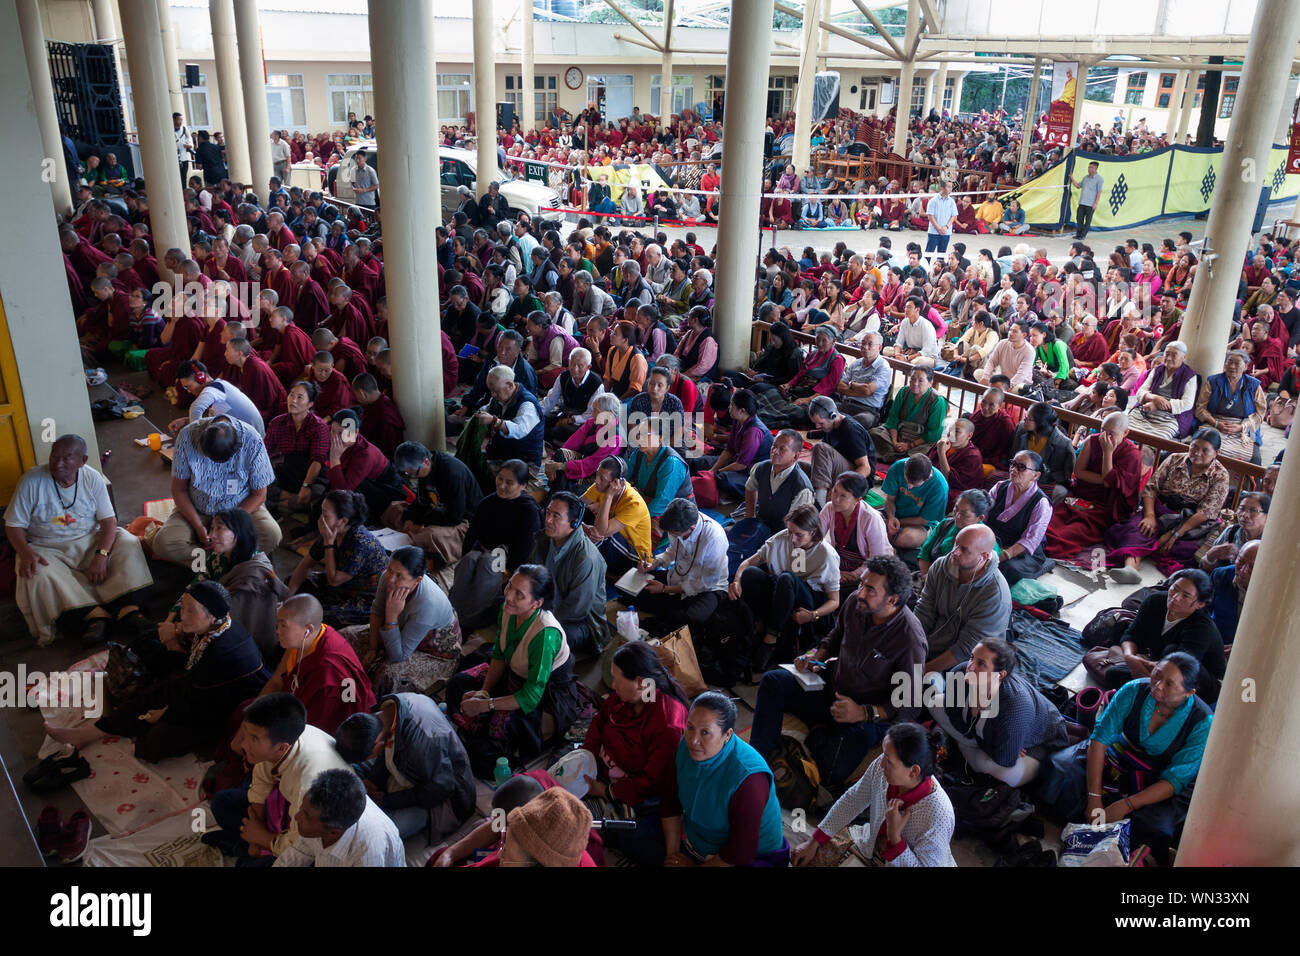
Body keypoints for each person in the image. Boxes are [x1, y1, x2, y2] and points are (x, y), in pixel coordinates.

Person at [751, 553, 927, 788]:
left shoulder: (909, 638)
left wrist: (863, 713)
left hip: (866, 715)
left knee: (829, 771)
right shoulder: (856, 603)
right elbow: (836, 636)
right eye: (862, 583)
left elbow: (909, 704)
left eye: (870, 589)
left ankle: (819, 732)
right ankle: (756, 764)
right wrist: (815, 655)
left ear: (893, 600)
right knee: (774, 681)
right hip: (833, 691)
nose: (860, 593)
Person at [46, 581, 270, 764]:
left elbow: (199, 702)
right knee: (157, 688)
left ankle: (107, 728)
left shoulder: (222, 650)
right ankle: (90, 733)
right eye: (183, 607)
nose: (183, 615)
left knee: (154, 742)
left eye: (191, 611)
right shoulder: (219, 626)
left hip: (231, 708)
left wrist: (166, 713)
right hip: (206, 691)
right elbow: (192, 680)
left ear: (212, 616)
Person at [1038, 653, 1211, 866]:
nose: (1157, 686)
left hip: (1159, 776)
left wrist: (1127, 804)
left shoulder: (1202, 721)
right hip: (1119, 752)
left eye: (1169, 684)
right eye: (1157, 675)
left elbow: (1175, 780)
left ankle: (1105, 836)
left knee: (1156, 827)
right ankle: (1092, 822)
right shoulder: (1134, 690)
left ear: (1188, 693)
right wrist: (1094, 797)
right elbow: (1100, 739)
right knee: (1058, 768)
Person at [6, 435, 152, 646]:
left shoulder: (92, 478)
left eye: (67, 458)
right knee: (35, 571)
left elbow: (109, 522)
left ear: (83, 461)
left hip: (90, 540)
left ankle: (129, 612)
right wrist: (26, 552)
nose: (58, 463)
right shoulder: (32, 480)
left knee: (128, 542)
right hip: (48, 548)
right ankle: (95, 617)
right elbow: (13, 525)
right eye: (54, 456)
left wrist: (101, 555)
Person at [446, 564, 584, 765]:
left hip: (545, 694)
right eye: (509, 586)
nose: (509, 596)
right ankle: (475, 727)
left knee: (494, 738)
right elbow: (500, 654)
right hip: (513, 675)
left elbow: (530, 697)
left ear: (537, 603)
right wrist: (484, 692)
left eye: (519, 594)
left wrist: (485, 705)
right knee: (458, 683)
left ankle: (480, 732)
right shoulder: (508, 609)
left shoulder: (545, 634)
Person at [206, 693, 351, 865]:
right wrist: (256, 833)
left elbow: (301, 844)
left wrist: (264, 839)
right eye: (246, 734)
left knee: (245, 865)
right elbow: (261, 784)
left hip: (310, 837)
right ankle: (250, 849)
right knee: (223, 802)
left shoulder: (309, 787)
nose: (243, 745)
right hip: (283, 813)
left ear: (282, 748)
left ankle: (246, 851)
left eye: (253, 738)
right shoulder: (284, 739)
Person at [581, 641, 689, 866]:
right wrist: (585, 758)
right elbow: (599, 722)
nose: (612, 686)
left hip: (639, 796)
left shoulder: (667, 725)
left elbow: (651, 783)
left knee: (628, 837)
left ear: (640, 682)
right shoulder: (625, 697)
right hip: (605, 769)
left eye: (616, 678)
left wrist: (606, 791)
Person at [791, 722, 955, 867]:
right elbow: (852, 800)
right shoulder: (882, 767)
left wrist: (895, 837)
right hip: (870, 845)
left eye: (889, 761)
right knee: (805, 860)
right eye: (883, 754)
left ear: (914, 771)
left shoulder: (937, 814)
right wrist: (814, 842)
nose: (881, 763)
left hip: (901, 860)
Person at [661, 692, 788, 867]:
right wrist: (672, 857)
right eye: (690, 727)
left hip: (751, 858)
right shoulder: (685, 746)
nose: (693, 740)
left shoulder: (749, 779)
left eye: (705, 732)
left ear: (727, 735)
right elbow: (670, 801)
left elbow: (740, 852)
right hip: (698, 841)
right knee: (640, 839)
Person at [334, 693, 477, 840]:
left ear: (378, 742)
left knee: (380, 834)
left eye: (372, 754)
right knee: (350, 771)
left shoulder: (421, 745)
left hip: (446, 798)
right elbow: (387, 751)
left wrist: (388, 800)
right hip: (414, 769)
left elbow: (442, 788)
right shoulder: (390, 710)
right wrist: (374, 780)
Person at [930, 639, 1068, 787]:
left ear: (1000, 675)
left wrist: (1000, 744)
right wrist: (972, 734)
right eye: (972, 658)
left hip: (1038, 744)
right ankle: (966, 746)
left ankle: (961, 744)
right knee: (934, 702)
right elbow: (953, 713)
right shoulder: (959, 673)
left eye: (981, 664)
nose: (970, 667)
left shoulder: (1014, 706)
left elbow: (1005, 759)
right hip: (990, 742)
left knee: (1001, 774)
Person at [152, 416, 282, 566]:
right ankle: (225, 560)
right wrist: (198, 526)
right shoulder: (187, 436)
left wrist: (231, 526)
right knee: (163, 543)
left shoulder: (252, 439)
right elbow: (179, 489)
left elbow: (259, 495)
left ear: (237, 444)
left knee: (272, 534)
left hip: (239, 508)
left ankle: (212, 561)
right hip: (198, 508)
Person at [1105, 431, 1230, 581]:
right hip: (1161, 511)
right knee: (1136, 529)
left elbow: (1205, 512)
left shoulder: (1220, 475)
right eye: (1194, 447)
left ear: (1216, 453)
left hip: (1191, 521)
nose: (1197, 453)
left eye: (1205, 450)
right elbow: (1151, 488)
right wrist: (1150, 516)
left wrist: (1174, 534)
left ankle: (1145, 551)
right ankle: (1131, 568)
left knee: (1184, 549)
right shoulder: (1175, 459)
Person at [731, 503, 842, 672]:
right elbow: (748, 562)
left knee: (787, 578)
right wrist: (737, 580)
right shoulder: (782, 538)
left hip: (809, 605)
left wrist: (812, 615)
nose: (792, 539)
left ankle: (770, 639)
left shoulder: (826, 554)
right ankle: (760, 625)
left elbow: (835, 601)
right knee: (751, 574)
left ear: (813, 532)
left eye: (799, 535)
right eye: (790, 532)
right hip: (783, 598)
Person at [1087, 569, 1225, 703]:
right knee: (1113, 674)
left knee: (1170, 652)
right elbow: (1132, 634)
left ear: (1200, 604)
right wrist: (1130, 657)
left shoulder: (1202, 627)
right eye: (1175, 588)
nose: (1175, 598)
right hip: (1159, 665)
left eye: (1185, 596)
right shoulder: (1156, 601)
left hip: (1195, 680)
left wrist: (1150, 672)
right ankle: (1149, 691)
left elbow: (1182, 666)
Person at [345, 546, 462, 697]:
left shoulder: (428, 604)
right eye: (390, 570)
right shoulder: (387, 578)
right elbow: (377, 611)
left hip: (434, 650)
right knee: (347, 636)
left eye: (399, 576)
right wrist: (373, 648)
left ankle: (366, 706)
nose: (391, 579)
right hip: (399, 628)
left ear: (417, 580)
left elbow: (398, 655)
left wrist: (392, 616)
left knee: (387, 674)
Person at [448, 460, 544, 630]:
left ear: (522, 486)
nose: (502, 486)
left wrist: (511, 574)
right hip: (486, 550)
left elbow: (524, 550)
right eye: (500, 479)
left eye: (509, 482)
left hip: (509, 561)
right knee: (469, 559)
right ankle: (451, 609)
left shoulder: (528, 511)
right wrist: (466, 556)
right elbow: (472, 535)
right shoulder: (488, 502)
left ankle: (471, 618)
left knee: (487, 563)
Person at [259, 593, 376, 733]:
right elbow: (276, 681)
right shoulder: (303, 638)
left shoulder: (329, 668)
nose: (277, 631)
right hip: (292, 705)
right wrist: (253, 714)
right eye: (278, 623)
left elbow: (319, 725)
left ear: (308, 630)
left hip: (323, 723)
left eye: (283, 626)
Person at [1044, 411, 1145, 561]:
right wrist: (1106, 480)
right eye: (1103, 430)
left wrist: (1107, 453)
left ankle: (1045, 549)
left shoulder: (1132, 455)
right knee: (1051, 520)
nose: (1105, 437)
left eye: (1112, 434)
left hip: (1106, 506)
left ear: (1125, 433)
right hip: (1080, 496)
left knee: (1073, 531)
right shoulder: (1092, 441)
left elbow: (1116, 485)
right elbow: (1079, 472)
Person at [915, 525, 1012, 672]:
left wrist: (921, 671)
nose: (955, 552)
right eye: (956, 543)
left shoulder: (996, 594)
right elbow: (924, 611)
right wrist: (911, 649)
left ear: (984, 557)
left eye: (965, 550)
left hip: (966, 661)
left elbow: (967, 649)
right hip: (931, 643)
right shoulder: (941, 566)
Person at [286, 489, 388, 625]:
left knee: (325, 617)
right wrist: (287, 600)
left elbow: (334, 580)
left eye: (325, 515)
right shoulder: (330, 531)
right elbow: (306, 564)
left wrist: (328, 544)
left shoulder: (359, 542)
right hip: (343, 585)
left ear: (343, 521)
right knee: (292, 583)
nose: (320, 518)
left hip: (366, 596)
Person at [633, 498, 729, 636]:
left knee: (691, 619)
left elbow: (706, 583)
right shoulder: (677, 527)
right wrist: (653, 564)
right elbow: (672, 550)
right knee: (629, 588)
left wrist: (665, 589)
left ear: (691, 528)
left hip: (709, 588)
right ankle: (669, 607)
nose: (672, 536)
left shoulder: (714, 538)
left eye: (675, 533)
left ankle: (669, 607)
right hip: (679, 576)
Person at [272, 769, 405, 867]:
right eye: (302, 808)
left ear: (334, 832)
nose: (296, 817)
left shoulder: (367, 854)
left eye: (306, 816)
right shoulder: (319, 808)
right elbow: (301, 850)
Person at [531, 492, 610, 653]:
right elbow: (530, 576)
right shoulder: (544, 539)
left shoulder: (586, 557)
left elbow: (577, 608)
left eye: (556, 516)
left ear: (574, 523)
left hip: (581, 622)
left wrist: (537, 619)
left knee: (543, 638)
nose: (548, 520)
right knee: (506, 605)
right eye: (548, 513)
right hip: (547, 607)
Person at [386, 442, 483, 570]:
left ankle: (426, 549)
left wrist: (423, 524)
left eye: (414, 473)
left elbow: (454, 516)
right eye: (408, 474)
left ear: (426, 462)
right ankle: (412, 539)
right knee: (394, 509)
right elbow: (422, 501)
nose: (413, 477)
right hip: (438, 511)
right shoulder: (424, 468)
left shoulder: (452, 473)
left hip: (464, 521)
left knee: (430, 534)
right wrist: (411, 518)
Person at [986, 450, 1055, 586]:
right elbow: (983, 515)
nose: (1013, 470)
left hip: (1021, 550)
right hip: (994, 541)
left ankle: (1043, 565)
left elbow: (1030, 540)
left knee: (1005, 569)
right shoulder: (1000, 487)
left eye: (1021, 467)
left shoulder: (1041, 502)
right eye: (1013, 464)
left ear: (1035, 475)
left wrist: (1003, 555)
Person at [580, 456, 653, 579]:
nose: (596, 481)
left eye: (602, 478)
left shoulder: (634, 503)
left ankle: (584, 574)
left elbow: (600, 532)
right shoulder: (600, 485)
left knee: (598, 538)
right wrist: (584, 527)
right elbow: (574, 506)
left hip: (637, 557)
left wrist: (608, 496)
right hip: (614, 538)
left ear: (616, 482)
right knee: (578, 515)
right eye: (597, 475)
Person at [819, 471, 891, 587]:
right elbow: (815, 539)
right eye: (835, 491)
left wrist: (853, 575)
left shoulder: (871, 518)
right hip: (840, 561)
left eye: (843, 496)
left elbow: (876, 560)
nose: (836, 499)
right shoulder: (829, 508)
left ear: (858, 499)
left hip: (868, 566)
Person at [1194, 350, 1266, 464]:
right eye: (1229, 362)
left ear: (1246, 366)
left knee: (1255, 459)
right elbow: (1200, 408)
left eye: (1237, 363)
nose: (1232, 366)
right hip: (1214, 422)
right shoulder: (1213, 381)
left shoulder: (1254, 385)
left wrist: (1241, 426)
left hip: (1242, 426)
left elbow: (1260, 413)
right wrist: (1216, 423)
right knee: (1201, 448)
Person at [806, 395, 876, 507]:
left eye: (820, 423)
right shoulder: (830, 426)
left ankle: (820, 505)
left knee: (820, 448)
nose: (817, 426)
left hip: (857, 480)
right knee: (799, 467)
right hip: (840, 471)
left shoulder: (851, 431)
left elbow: (865, 469)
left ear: (833, 416)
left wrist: (839, 486)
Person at [871, 366, 948, 465]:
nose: (915, 383)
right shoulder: (903, 392)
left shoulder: (938, 401)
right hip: (899, 433)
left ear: (930, 383)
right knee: (874, 433)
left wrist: (909, 445)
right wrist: (894, 442)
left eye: (920, 381)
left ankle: (896, 456)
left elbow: (933, 434)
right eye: (912, 379)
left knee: (927, 452)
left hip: (920, 441)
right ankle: (900, 456)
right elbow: (893, 419)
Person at [1129, 341, 1199, 440]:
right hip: (1147, 409)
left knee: (1157, 439)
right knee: (1126, 429)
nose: (1169, 358)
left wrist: (1158, 405)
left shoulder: (1190, 375)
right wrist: (1154, 397)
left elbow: (1187, 403)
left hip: (1170, 416)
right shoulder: (1157, 370)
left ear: (1184, 357)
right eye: (1167, 354)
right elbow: (1141, 392)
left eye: (1174, 355)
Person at [881, 453, 949, 552]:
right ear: (905, 467)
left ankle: (884, 541)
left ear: (928, 478)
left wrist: (897, 522)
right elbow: (890, 500)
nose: (909, 486)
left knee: (907, 538)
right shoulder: (897, 467)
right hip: (896, 514)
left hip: (921, 524)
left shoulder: (939, 487)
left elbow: (923, 520)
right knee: (869, 518)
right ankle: (887, 541)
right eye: (906, 480)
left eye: (914, 484)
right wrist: (891, 517)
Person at [1005, 401, 1076, 496]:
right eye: (1026, 416)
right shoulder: (1021, 429)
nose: (1024, 420)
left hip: (1044, 481)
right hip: (1018, 474)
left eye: (1029, 418)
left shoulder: (1062, 443)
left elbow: (1065, 473)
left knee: (1060, 492)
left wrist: (1045, 477)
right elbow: (1013, 453)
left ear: (1041, 423)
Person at [1200, 491, 1268, 572]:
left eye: (1253, 510)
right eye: (1241, 508)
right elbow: (1208, 568)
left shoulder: (1268, 543)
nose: (1244, 515)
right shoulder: (1231, 531)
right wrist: (1210, 557)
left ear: (1267, 515)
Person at [1208, 538, 1258, 645]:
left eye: (1252, 567)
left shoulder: (1270, 593)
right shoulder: (1221, 575)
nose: (1243, 571)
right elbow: (1203, 611)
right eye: (1241, 561)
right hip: (1213, 639)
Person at [928, 418, 984, 510]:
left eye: (957, 431)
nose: (951, 435)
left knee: (937, 492)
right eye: (950, 430)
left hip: (956, 490)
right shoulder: (943, 444)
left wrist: (941, 453)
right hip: (932, 480)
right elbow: (926, 463)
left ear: (969, 435)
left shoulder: (972, 456)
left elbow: (948, 479)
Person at [1070, 160, 1103, 239]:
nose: (1089, 169)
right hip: (1082, 202)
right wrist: (1072, 178)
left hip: (1090, 204)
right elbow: (1078, 186)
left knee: (1087, 221)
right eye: (1088, 167)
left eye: (1091, 167)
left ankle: (1083, 235)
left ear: (1095, 169)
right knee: (1079, 219)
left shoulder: (1099, 179)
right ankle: (1078, 234)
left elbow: (1099, 192)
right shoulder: (1085, 177)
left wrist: (1096, 203)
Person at [925, 180, 958, 254]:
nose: (951, 189)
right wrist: (939, 228)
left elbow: (953, 216)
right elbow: (930, 216)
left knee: (942, 255)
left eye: (951, 187)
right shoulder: (933, 201)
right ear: (942, 188)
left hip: (946, 232)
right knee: (928, 253)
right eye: (948, 187)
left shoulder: (952, 201)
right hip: (934, 232)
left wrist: (946, 227)